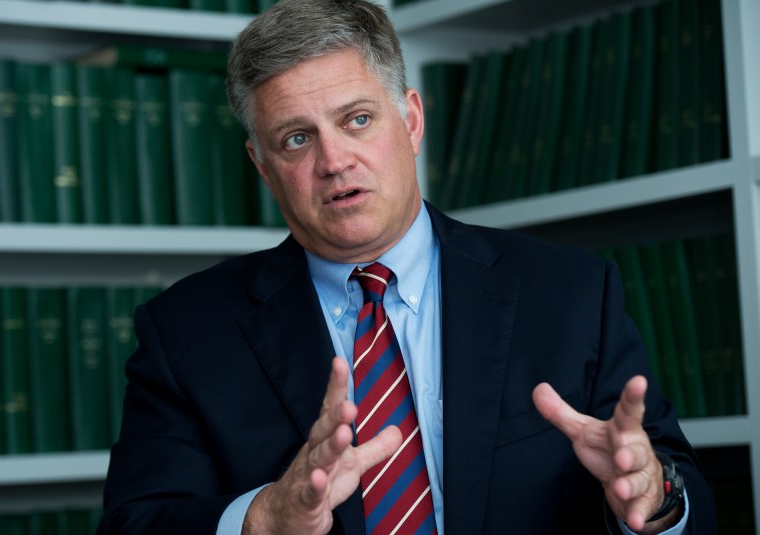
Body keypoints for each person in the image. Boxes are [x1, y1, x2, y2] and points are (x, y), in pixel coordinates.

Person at [97, 0, 717, 533]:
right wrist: (263, 520)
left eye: (357, 119)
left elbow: (683, 495)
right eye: (296, 138)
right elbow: (134, 522)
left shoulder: (573, 292)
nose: (335, 160)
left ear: (411, 121)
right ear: (263, 167)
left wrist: (655, 497)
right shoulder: (184, 333)